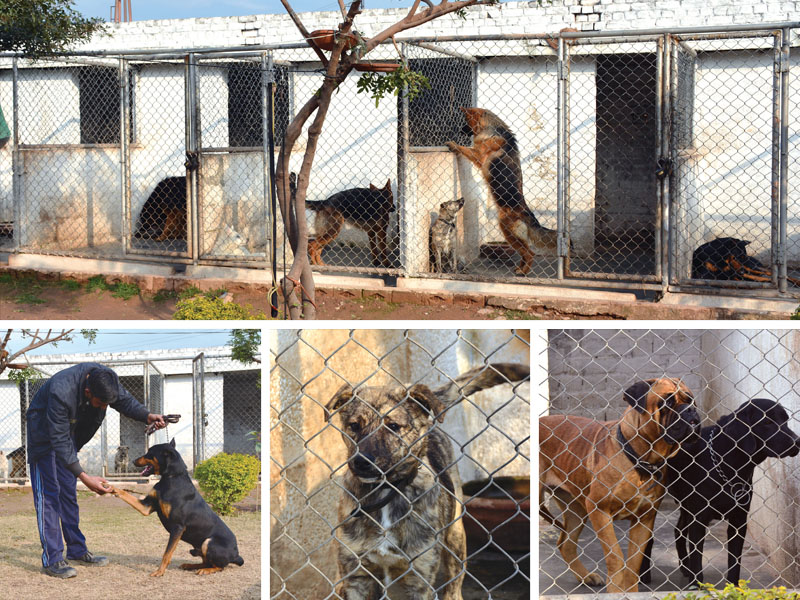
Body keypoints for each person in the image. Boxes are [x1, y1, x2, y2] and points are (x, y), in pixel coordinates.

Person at [26, 363, 167, 579]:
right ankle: (53, 559)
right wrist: (84, 477)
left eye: (106, 404)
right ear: (87, 391)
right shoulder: (61, 391)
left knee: (67, 494)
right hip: (44, 434)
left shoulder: (105, 378)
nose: (103, 408)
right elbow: (58, 438)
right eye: (100, 403)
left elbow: (124, 401)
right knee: (49, 495)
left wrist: (147, 415)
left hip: (67, 435)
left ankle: (76, 549)